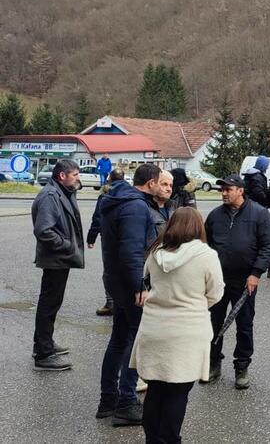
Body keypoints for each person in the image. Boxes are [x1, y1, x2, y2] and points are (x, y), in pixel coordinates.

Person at [129, 207, 223, 444]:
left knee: (155, 390)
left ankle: (152, 439)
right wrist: (197, 304)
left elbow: (147, 282)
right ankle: (169, 439)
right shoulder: (206, 255)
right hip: (188, 333)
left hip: (154, 329)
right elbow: (216, 293)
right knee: (177, 394)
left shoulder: (155, 252)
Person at [96, 162, 162, 425]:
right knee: (135, 343)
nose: (161, 186)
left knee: (119, 340)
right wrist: (139, 286)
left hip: (115, 280)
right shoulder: (136, 207)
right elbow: (132, 251)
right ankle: (125, 402)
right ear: (151, 183)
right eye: (159, 181)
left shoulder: (116, 200)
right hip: (128, 284)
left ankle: (107, 400)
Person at [205, 174, 270, 390]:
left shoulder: (259, 214)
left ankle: (241, 366)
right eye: (222, 190)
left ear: (240, 190)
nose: (224, 193)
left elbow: (268, 245)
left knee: (244, 325)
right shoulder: (215, 216)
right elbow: (204, 245)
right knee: (213, 323)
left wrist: (256, 273)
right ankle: (213, 363)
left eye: (228, 189)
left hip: (245, 280)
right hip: (218, 280)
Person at [31, 159, 83, 372]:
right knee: (49, 304)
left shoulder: (62, 192)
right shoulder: (51, 196)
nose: (78, 178)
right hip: (56, 258)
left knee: (51, 303)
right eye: (75, 175)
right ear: (62, 176)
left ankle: (45, 344)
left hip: (60, 258)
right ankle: (43, 354)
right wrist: (67, 245)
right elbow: (44, 230)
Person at [88, 168, 125, 317]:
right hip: (126, 237)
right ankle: (124, 303)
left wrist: (91, 237)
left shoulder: (105, 193)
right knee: (126, 269)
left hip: (108, 238)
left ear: (109, 178)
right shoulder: (132, 193)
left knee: (110, 271)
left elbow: (98, 216)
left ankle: (110, 304)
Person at [151, 169, 176, 234]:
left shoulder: (174, 207)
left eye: (171, 186)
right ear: (153, 184)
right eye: (164, 184)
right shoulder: (146, 208)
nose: (169, 189)